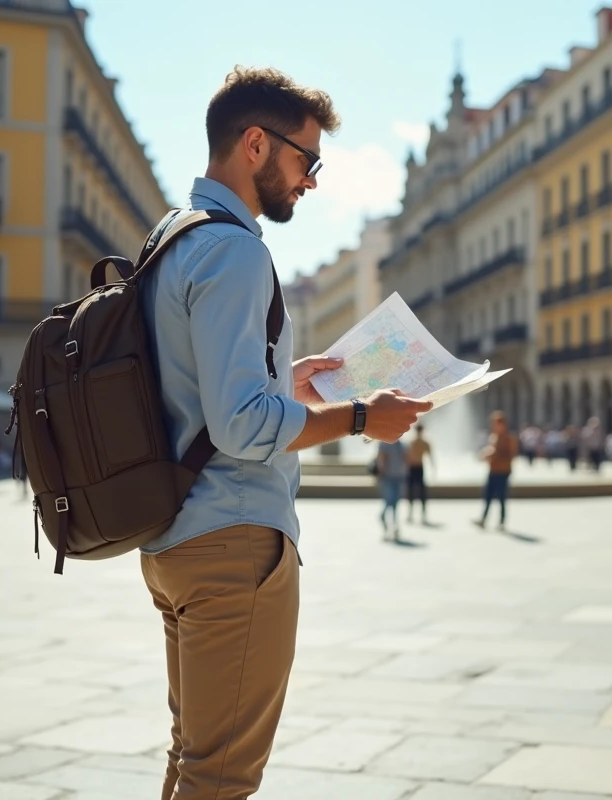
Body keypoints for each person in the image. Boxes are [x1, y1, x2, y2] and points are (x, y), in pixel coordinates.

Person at [135, 67, 430, 800]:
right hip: (234, 538)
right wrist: (364, 417)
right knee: (222, 776)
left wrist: (281, 382)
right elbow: (240, 426)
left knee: (194, 759)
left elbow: (189, 395)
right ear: (257, 144)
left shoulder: (173, 238)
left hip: (175, 537)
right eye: (309, 159)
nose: (313, 181)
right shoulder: (235, 251)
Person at [473, 410, 518, 531]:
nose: (493, 426)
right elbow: (490, 450)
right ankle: (483, 519)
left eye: (496, 423)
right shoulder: (494, 437)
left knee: (502, 497)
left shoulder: (510, 438)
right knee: (487, 495)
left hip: (503, 471)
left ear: (503, 424)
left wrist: (494, 456)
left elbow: (512, 455)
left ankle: (502, 522)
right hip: (493, 470)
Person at [377, 438, 409, 540]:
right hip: (389, 476)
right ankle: (386, 519)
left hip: (398, 476)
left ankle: (394, 526)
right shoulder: (385, 444)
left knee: (395, 502)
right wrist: (381, 474)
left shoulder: (402, 445)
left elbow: (406, 459)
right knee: (390, 500)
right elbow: (381, 459)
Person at [405, 424, 433, 524]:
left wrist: (433, 467)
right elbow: (406, 456)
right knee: (411, 491)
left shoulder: (423, 443)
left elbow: (430, 456)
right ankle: (410, 514)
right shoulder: (411, 442)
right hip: (412, 468)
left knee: (421, 492)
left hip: (419, 468)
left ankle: (422, 515)